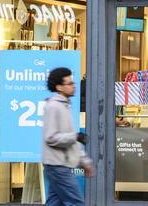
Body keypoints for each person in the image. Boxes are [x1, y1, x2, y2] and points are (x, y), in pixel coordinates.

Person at [42, 67, 95, 206]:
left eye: (73, 83)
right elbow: (51, 137)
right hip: (57, 166)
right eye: (70, 84)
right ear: (59, 87)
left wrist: (84, 162)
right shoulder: (54, 107)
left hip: (60, 166)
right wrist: (74, 136)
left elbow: (72, 139)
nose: (74, 86)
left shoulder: (65, 106)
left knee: (54, 203)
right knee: (76, 202)